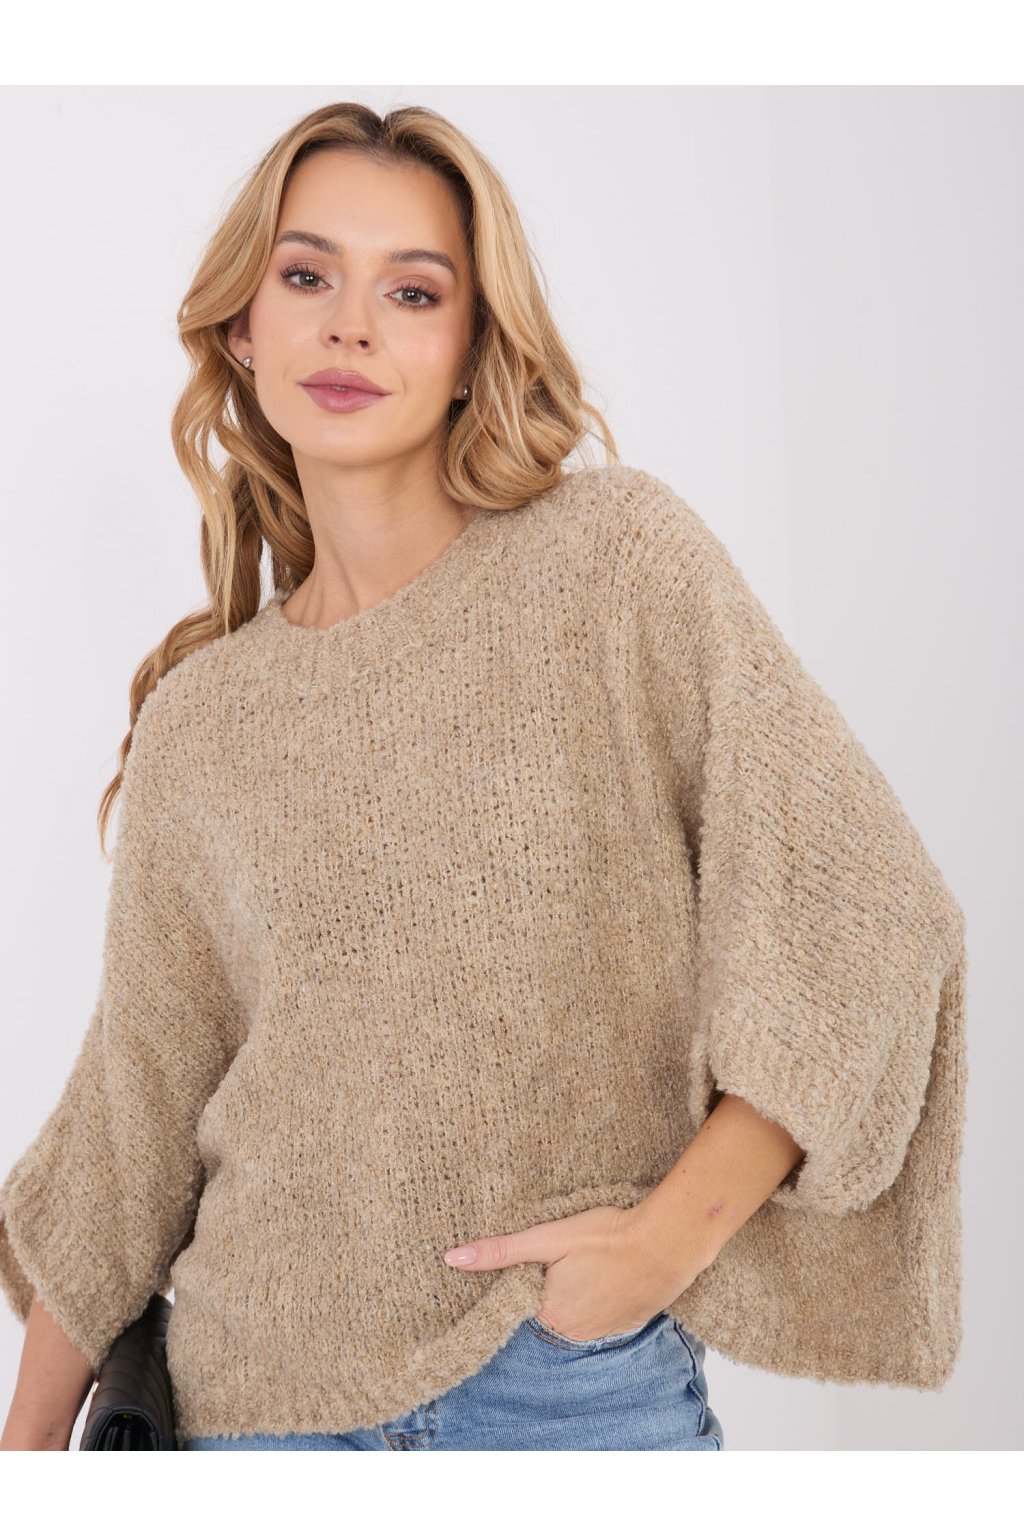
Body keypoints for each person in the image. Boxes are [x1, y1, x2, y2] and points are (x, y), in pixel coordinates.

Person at [0, 102, 966, 1453]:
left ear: (469, 349)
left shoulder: (614, 567)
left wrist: (662, 1245)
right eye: (307, 276)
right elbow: (130, 1123)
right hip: (250, 1417)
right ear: (243, 329)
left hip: (562, 1397)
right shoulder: (202, 720)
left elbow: (867, 913)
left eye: (412, 292)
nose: (350, 327)